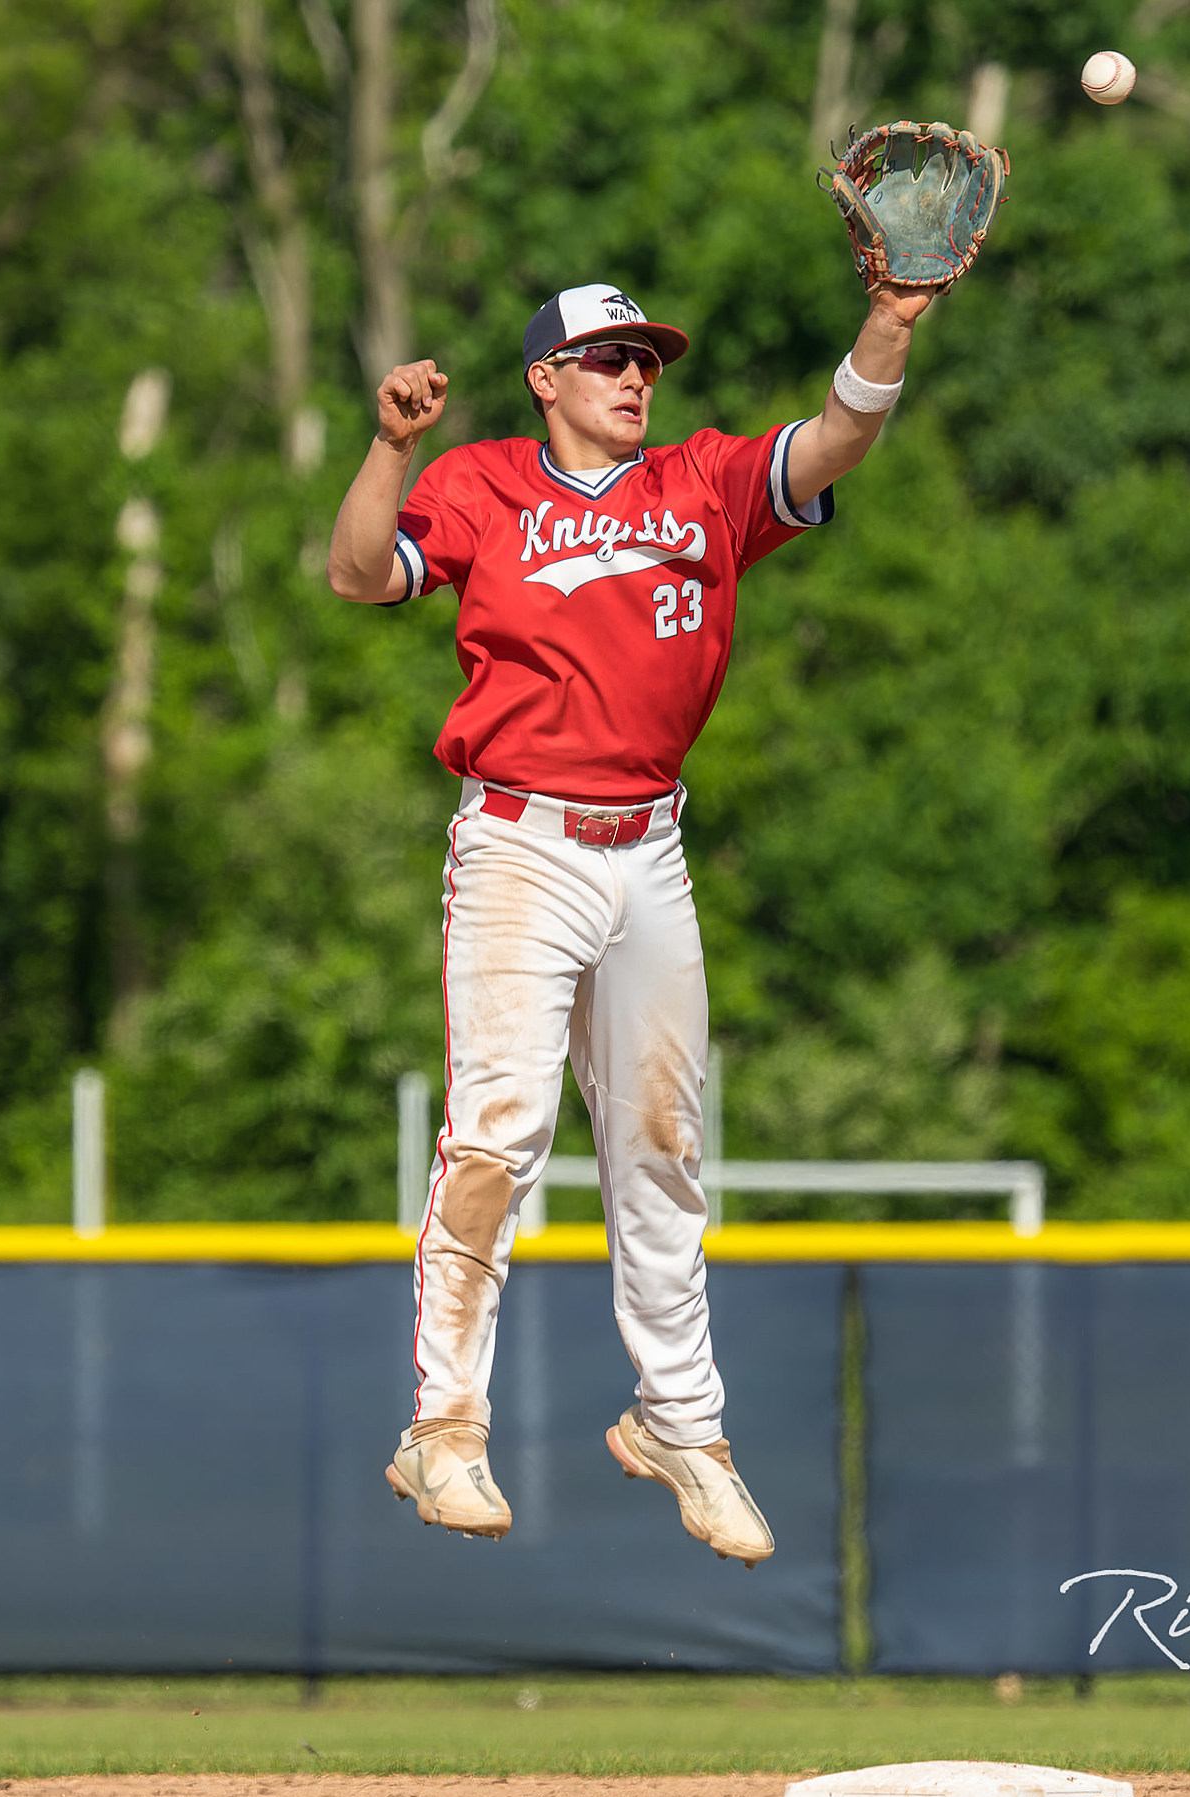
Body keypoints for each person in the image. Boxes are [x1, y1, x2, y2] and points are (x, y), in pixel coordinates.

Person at [326, 277, 936, 1563]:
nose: (632, 373)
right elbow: (356, 573)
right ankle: (441, 1425)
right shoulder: (484, 485)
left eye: (644, 357)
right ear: (544, 377)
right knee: (494, 1136)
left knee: (662, 1149)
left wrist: (889, 323)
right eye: (604, 356)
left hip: (649, 850)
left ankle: (681, 1424)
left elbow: (834, 441)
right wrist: (392, 448)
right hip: (519, 846)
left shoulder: (700, 486)